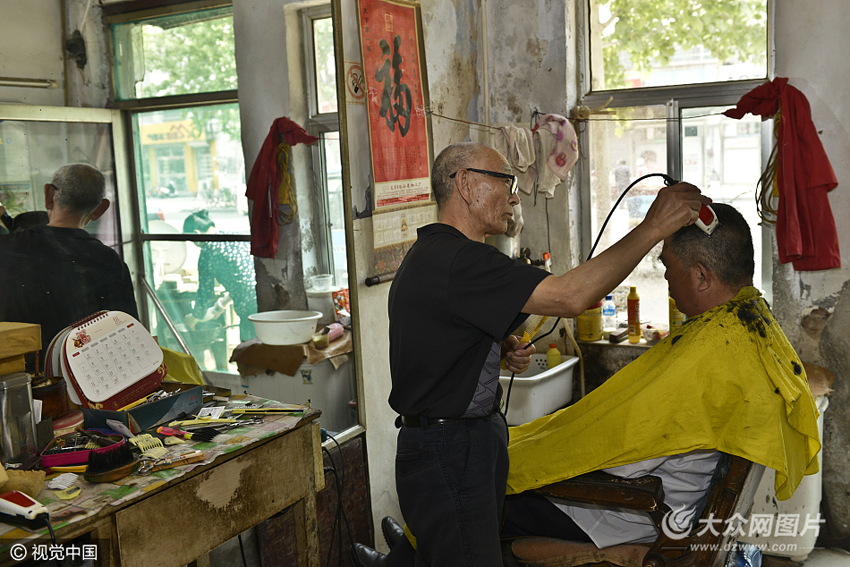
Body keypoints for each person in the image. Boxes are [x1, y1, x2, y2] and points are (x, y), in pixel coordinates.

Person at [362, 203, 821, 564]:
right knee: (498, 456)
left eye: (667, 267)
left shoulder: (714, 351)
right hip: (655, 490)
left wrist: (560, 442)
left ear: (701, 275)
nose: (665, 277)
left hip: (624, 508)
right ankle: (407, 554)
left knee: (469, 485)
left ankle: (408, 555)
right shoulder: (747, 325)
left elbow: (621, 450)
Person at [350, 141, 708, 567]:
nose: (515, 197)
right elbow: (571, 296)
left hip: (459, 443)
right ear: (466, 184)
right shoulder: (459, 260)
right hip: (450, 450)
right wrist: (652, 228)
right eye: (506, 182)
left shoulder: (436, 254)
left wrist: (494, 346)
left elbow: (438, 330)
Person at [0, 163, 138, 369]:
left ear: (49, 195)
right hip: (84, 378)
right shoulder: (108, 261)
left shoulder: (6, 249)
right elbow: (129, 335)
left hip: (14, 377)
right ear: (100, 209)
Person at [182, 210, 257, 342]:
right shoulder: (235, 235)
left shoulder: (208, 250)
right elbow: (243, 278)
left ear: (196, 234)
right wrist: (222, 304)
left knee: (250, 349)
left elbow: (205, 293)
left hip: (249, 311)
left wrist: (194, 317)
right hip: (264, 299)